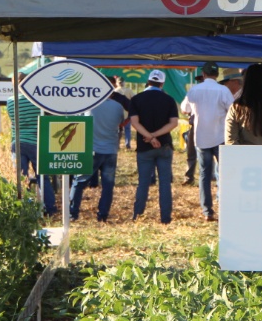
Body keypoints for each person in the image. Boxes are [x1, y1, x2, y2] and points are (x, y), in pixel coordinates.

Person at [181, 61, 234, 222]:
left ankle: (207, 211)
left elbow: (185, 109)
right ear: (217, 75)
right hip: (221, 137)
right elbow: (232, 110)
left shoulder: (194, 90)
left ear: (203, 74)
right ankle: (225, 205)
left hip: (201, 137)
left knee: (204, 174)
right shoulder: (223, 90)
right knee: (224, 173)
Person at [129, 69, 180, 224]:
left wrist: (149, 137)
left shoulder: (136, 99)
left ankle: (138, 215)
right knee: (165, 183)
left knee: (143, 182)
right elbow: (174, 123)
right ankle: (165, 218)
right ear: (162, 83)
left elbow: (134, 122)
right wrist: (156, 136)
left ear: (148, 81)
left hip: (144, 147)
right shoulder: (169, 99)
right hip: (164, 145)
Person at [68, 93, 126, 222]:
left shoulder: (88, 105)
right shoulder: (118, 106)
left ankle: (73, 213)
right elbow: (120, 124)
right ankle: (103, 215)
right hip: (111, 150)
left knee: (79, 181)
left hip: (91, 150)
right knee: (108, 186)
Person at [6, 74, 56, 216]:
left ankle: (23, 209)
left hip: (18, 142)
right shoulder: (39, 100)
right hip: (37, 142)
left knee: (21, 178)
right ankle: (50, 208)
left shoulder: (10, 101)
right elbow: (48, 117)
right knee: (43, 176)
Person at [181, 72, 204, 186]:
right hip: (215, 127)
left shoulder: (194, 91)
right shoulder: (220, 90)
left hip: (196, 125)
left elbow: (184, 109)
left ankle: (189, 176)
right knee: (214, 153)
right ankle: (214, 176)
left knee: (192, 153)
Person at [112, 75, 135, 150]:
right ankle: (127, 144)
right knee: (127, 130)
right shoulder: (129, 90)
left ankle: (117, 145)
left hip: (117, 114)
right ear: (124, 83)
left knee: (118, 130)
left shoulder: (115, 91)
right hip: (127, 114)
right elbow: (134, 98)